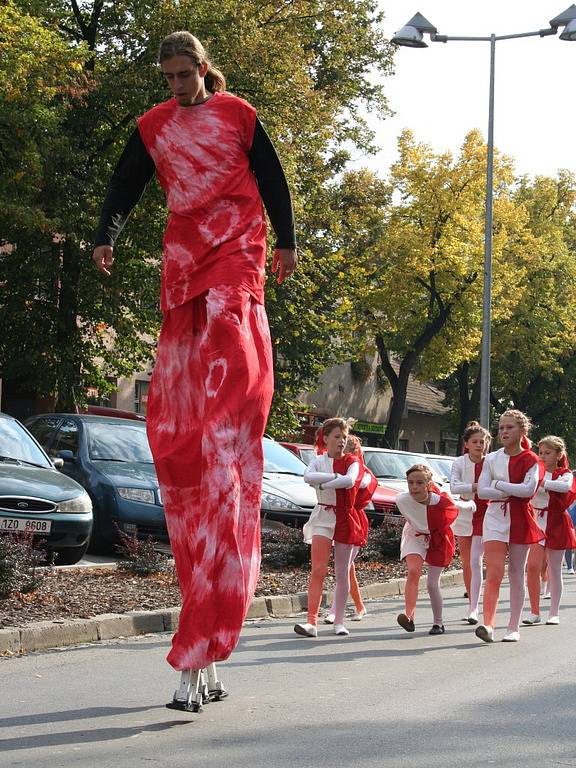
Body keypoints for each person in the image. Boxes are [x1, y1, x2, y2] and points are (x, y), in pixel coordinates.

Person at [92, 31, 297, 708]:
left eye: (186, 74)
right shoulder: (153, 125)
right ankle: (192, 421)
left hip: (237, 248)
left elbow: (271, 177)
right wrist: (106, 236)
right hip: (184, 253)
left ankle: (226, 402)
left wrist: (289, 243)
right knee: (186, 333)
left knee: (231, 319)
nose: (178, 85)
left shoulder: (238, 114)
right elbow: (126, 181)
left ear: (205, 69)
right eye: (170, 76)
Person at [475, 410, 543, 644]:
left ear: (522, 431)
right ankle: (488, 624)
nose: (504, 431)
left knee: (516, 573)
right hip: (495, 515)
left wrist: (499, 484)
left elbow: (528, 491)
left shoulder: (532, 460)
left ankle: (513, 627)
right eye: (501, 427)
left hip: (520, 518)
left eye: (509, 427)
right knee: (493, 571)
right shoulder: (492, 458)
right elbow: (482, 491)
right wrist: (508, 489)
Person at [294, 418, 364, 637]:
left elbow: (350, 481)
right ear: (325, 438)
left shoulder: (353, 460)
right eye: (337, 437)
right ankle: (311, 622)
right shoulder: (318, 460)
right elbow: (308, 477)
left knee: (342, 572)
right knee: (318, 570)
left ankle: (339, 622)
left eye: (344, 437)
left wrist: (324, 482)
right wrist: (335, 477)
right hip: (323, 516)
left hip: (344, 517)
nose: (342, 441)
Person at [396, 464, 467, 635]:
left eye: (419, 483)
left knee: (431, 584)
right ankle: (409, 617)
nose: (414, 487)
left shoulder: (441, 501)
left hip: (439, 538)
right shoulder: (402, 499)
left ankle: (438, 623)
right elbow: (414, 520)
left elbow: (455, 509)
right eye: (410, 482)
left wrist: (471, 505)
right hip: (415, 535)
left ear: (429, 484)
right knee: (413, 571)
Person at [324, 434, 378, 624]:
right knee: (347, 569)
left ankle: (334, 610)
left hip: (352, 521)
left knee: (344, 568)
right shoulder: (335, 465)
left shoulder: (362, 473)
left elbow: (358, 484)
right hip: (336, 518)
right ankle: (359, 606)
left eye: (347, 448)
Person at [523, 436, 576, 626]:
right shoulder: (535, 471)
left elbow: (565, 487)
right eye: (541, 452)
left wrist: (542, 482)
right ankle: (534, 611)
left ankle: (554, 612)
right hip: (536, 521)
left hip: (556, 522)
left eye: (548, 453)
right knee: (532, 567)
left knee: (554, 570)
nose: (543, 456)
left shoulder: (565, 473)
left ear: (559, 454)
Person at [450, 421, 491, 625]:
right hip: (465, 513)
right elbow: (454, 487)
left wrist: (478, 489)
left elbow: (493, 487)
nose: (478, 445)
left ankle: (474, 608)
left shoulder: (491, 461)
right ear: (466, 444)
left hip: (486, 514)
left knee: (476, 561)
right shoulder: (459, 462)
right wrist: (477, 486)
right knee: (467, 561)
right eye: (474, 441)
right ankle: (471, 602)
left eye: (482, 442)